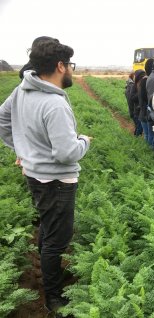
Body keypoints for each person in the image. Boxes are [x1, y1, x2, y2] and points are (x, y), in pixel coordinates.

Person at [0, 38, 91, 314]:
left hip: (35, 174)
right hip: (57, 181)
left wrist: (22, 149)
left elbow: (2, 121)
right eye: (70, 65)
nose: (72, 71)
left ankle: (47, 275)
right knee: (57, 239)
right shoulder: (54, 104)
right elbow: (66, 153)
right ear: (60, 66)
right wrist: (84, 141)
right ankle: (53, 297)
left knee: (49, 229)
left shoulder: (22, 90)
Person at [139, 58, 154, 145]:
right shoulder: (146, 80)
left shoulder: (145, 80)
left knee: (148, 135)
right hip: (146, 113)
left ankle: (148, 154)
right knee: (149, 135)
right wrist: (146, 113)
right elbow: (144, 98)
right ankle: (149, 155)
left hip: (144, 112)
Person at [130, 70, 145, 136]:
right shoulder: (134, 86)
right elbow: (132, 98)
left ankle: (136, 139)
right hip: (137, 111)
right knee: (139, 128)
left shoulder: (144, 84)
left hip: (143, 111)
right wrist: (140, 92)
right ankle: (136, 140)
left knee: (141, 128)